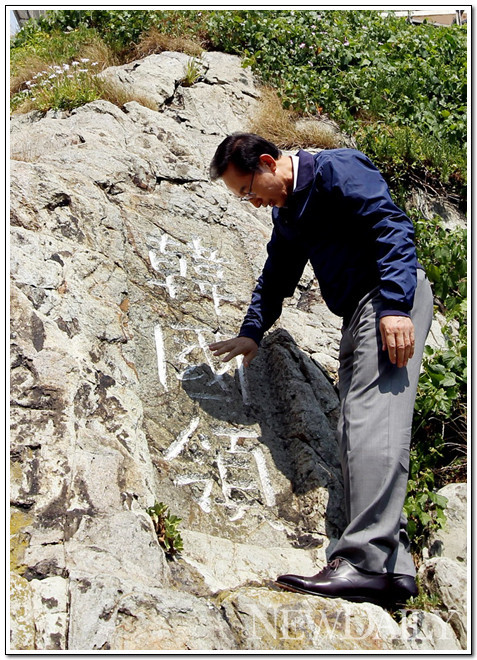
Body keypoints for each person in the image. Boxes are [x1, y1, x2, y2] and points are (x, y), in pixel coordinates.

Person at [208, 133, 434, 608]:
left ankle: (365, 562)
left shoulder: (337, 170)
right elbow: (279, 271)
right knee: (357, 429)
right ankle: (393, 569)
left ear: (269, 163)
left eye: (248, 190)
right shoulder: (289, 211)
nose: (251, 203)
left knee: (373, 424)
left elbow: (391, 227)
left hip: (388, 300)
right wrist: (253, 329)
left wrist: (394, 305)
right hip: (358, 311)